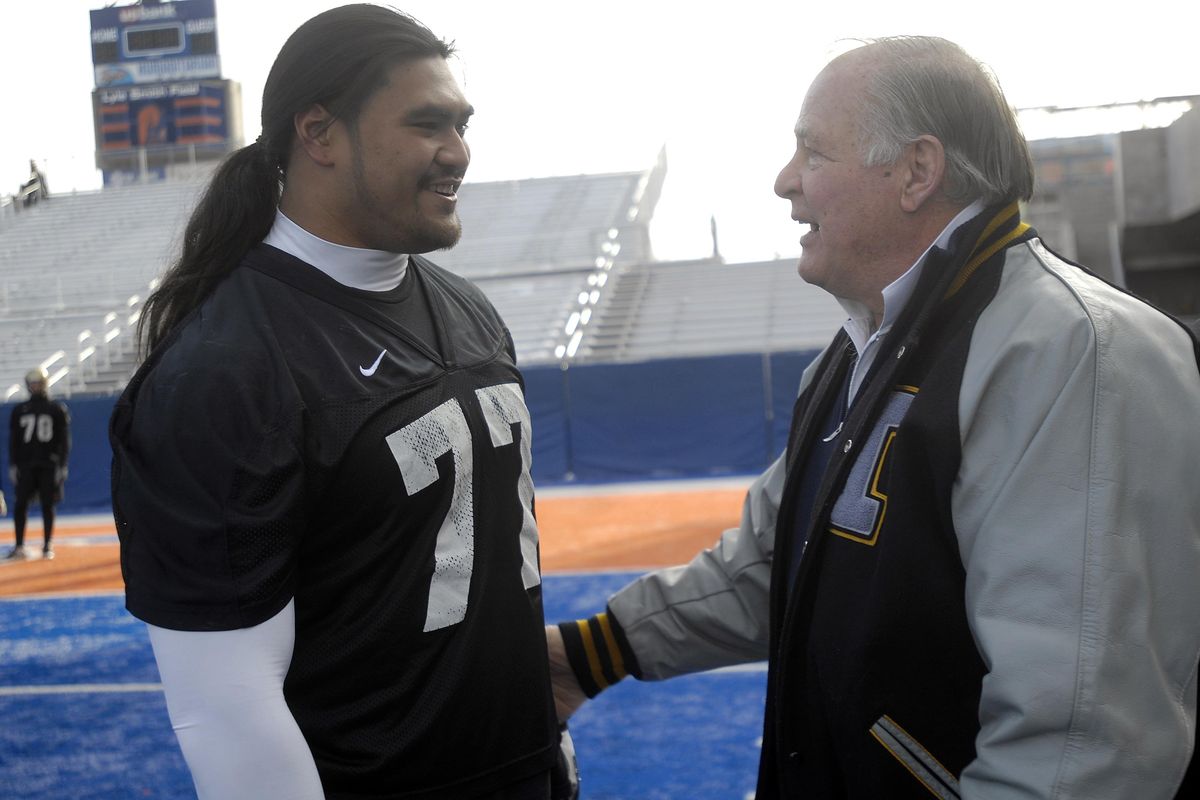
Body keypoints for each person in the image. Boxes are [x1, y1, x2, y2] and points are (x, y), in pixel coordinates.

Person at [548, 36, 1200, 799]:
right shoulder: (862, 350)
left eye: (812, 154)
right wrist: (586, 656)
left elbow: (1081, 747)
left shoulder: (1076, 351)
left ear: (917, 171)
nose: (784, 182)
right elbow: (773, 566)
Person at [109, 6, 574, 799]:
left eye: (461, 124)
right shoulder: (226, 369)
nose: (457, 152)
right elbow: (227, 708)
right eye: (428, 124)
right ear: (319, 134)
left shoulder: (467, 309)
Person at [6, 366, 70, 561]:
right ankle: (19, 545)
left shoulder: (56, 409)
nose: (35, 386)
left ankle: (47, 544)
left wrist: (62, 464)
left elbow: (64, 440)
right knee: (20, 504)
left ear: (44, 384)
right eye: (32, 383)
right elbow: (14, 440)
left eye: (38, 383)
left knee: (47, 504)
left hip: (47, 463)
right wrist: (13, 464)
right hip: (26, 464)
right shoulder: (19, 410)